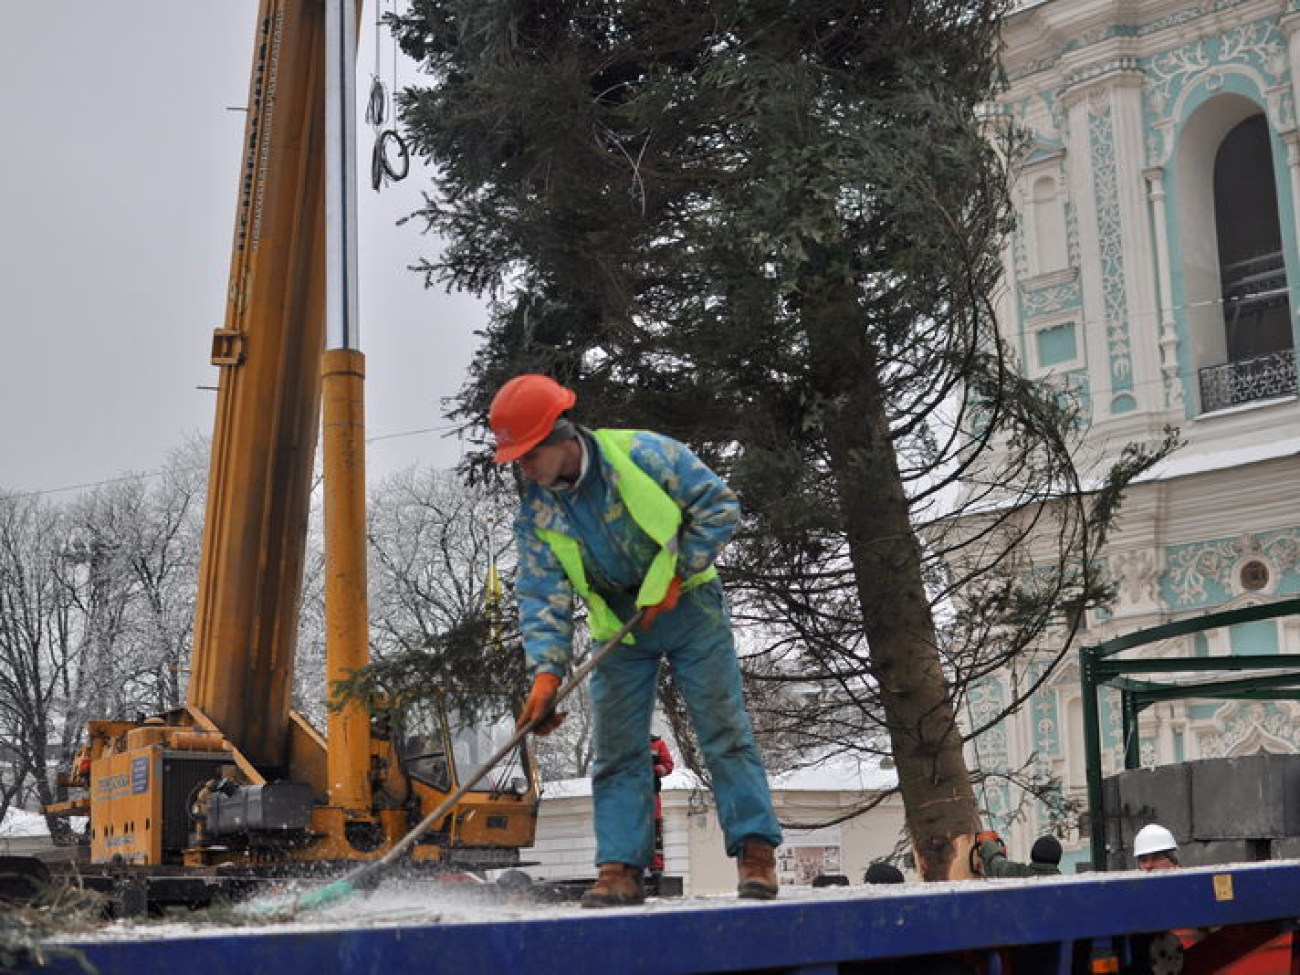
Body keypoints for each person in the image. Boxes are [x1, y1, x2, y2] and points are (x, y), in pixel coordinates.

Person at [491, 374, 783, 908]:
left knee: (723, 731)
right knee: (617, 751)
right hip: (620, 629)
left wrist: (679, 570)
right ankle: (620, 870)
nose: (521, 466)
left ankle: (756, 854)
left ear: (558, 437)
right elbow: (540, 594)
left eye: (526, 454)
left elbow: (720, 506)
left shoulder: (645, 455)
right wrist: (547, 675)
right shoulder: (536, 514)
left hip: (689, 605)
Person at [976, 832, 1062, 878]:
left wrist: (987, 842)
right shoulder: (1063, 884)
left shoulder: (1019, 874)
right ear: (1058, 858)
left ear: (1033, 854)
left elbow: (996, 864)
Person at [649, 734, 674, 874]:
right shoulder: (622, 742)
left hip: (650, 791)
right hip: (628, 792)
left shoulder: (657, 744)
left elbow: (668, 764)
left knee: (654, 826)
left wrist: (659, 769)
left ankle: (656, 865)